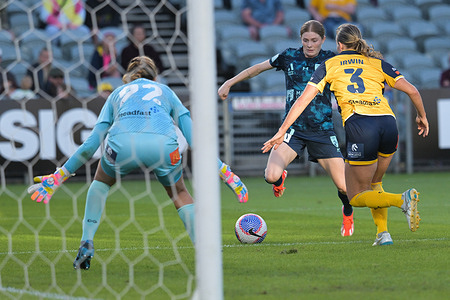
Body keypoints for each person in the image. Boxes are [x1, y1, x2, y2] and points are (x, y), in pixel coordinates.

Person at [28, 56, 247, 270]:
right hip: (162, 147)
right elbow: (195, 141)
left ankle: (87, 241)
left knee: (100, 184)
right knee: (179, 193)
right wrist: (225, 172)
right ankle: (204, 252)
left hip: (122, 145)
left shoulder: (117, 94)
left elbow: (90, 145)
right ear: (155, 77)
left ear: (128, 76)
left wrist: (59, 176)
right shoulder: (166, 92)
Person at [262, 23, 429, 246]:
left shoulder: (329, 64)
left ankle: (402, 200)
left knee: (355, 195)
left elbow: (302, 100)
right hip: (389, 124)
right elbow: (413, 90)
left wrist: (281, 130)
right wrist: (422, 116)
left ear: (339, 44)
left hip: (362, 126)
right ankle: (383, 234)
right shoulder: (377, 63)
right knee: (375, 183)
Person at [218, 20, 354, 237]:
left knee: (346, 188)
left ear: (323, 40)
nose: (310, 45)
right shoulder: (289, 56)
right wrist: (229, 83)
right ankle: (281, 178)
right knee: (271, 176)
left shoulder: (331, 60)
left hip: (323, 130)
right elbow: (257, 68)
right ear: (300, 40)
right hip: (292, 131)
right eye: (306, 40)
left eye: (314, 40)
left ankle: (347, 211)